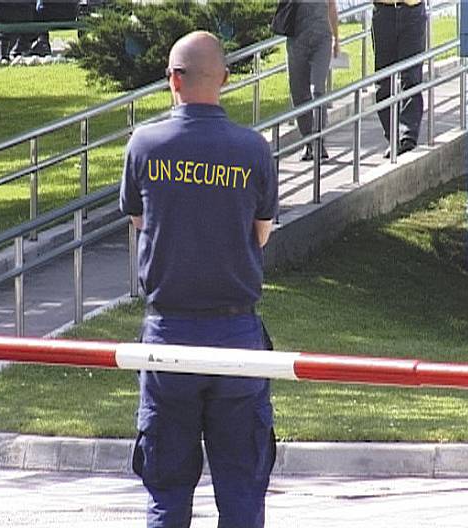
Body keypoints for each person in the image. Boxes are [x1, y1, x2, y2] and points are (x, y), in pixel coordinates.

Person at [119, 31, 279, 528]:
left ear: (173, 80)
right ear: (224, 79)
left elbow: (140, 222)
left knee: (166, 492)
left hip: (168, 334)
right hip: (237, 336)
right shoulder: (253, 149)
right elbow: (261, 233)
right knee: (242, 493)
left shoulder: (145, 144)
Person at [286, 0, 340, 161]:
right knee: (299, 92)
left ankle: (319, 139)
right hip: (297, 39)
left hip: (322, 39)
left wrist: (336, 38)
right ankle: (308, 141)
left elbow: (331, 5)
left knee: (317, 89)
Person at [372, 0, 427, 157]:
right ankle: (393, 137)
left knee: (411, 76)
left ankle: (408, 137)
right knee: (384, 80)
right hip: (384, 11)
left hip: (412, 9)